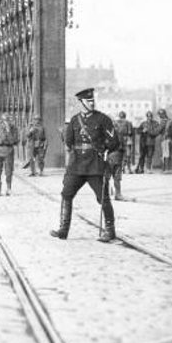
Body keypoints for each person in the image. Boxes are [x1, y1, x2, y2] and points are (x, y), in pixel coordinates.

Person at [50, 88, 120, 242]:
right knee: (66, 194)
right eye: (89, 101)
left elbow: (114, 142)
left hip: (95, 165)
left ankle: (110, 231)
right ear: (81, 103)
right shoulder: (75, 120)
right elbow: (68, 142)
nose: (92, 103)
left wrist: (105, 150)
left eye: (93, 100)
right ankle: (63, 230)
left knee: (103, 198)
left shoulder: (103, 119)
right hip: (76, 166)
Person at [0, 113, 19, 196]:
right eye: (3, 120)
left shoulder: (13, 128)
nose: (5, 122)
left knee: (9, 171)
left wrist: (8, 130)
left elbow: (15, 141)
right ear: (1, 120)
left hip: (9, 150)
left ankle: (8, 188)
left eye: (7, 120)